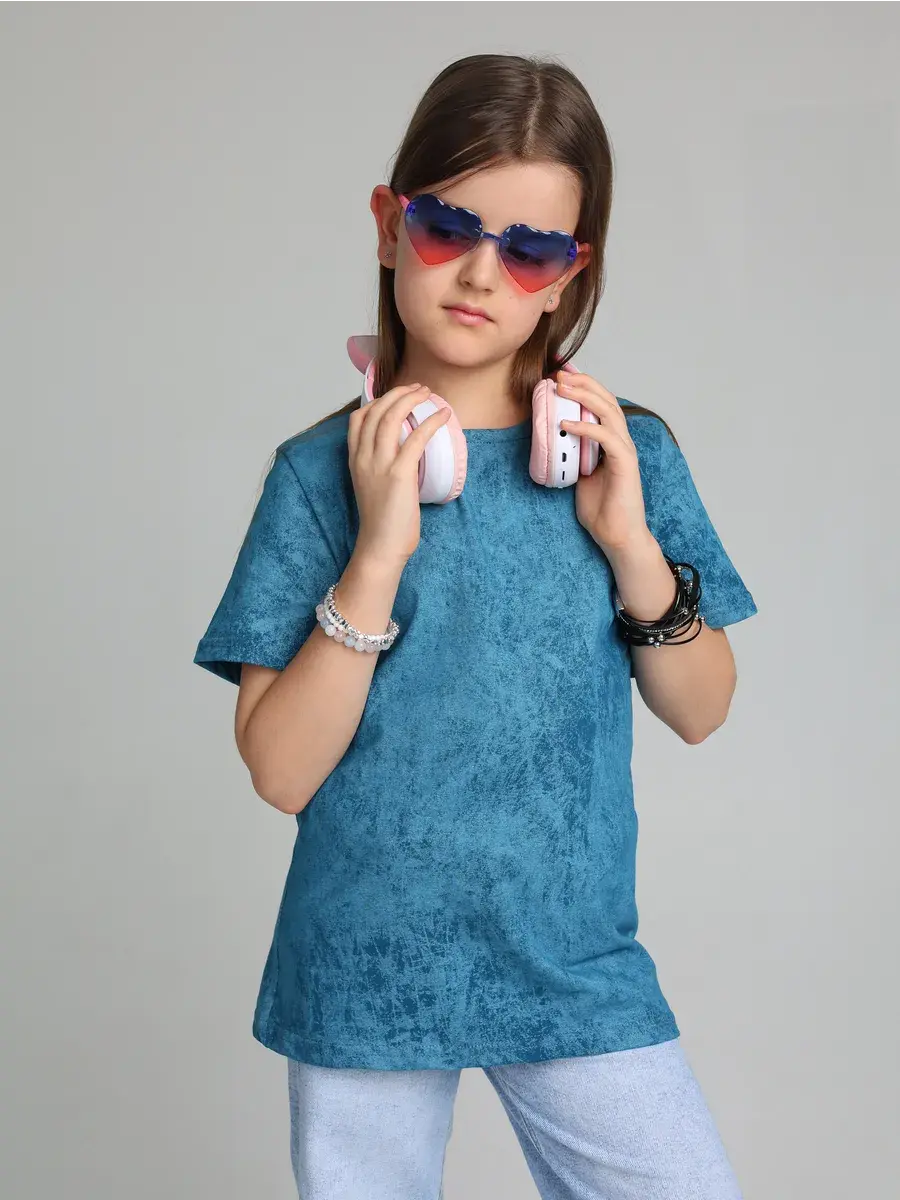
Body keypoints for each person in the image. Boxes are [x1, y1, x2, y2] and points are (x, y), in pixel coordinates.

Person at [193, 52, 758, 1200]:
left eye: (531, 250)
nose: (483, 273)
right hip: (367, 963)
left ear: (567, 276)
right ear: (389, 225)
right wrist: (377, 553)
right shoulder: (315, 478)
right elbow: (280, 772)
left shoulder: (623, 456)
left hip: (572, 957)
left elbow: (703, 710)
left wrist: (632, 547)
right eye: (449, 229)